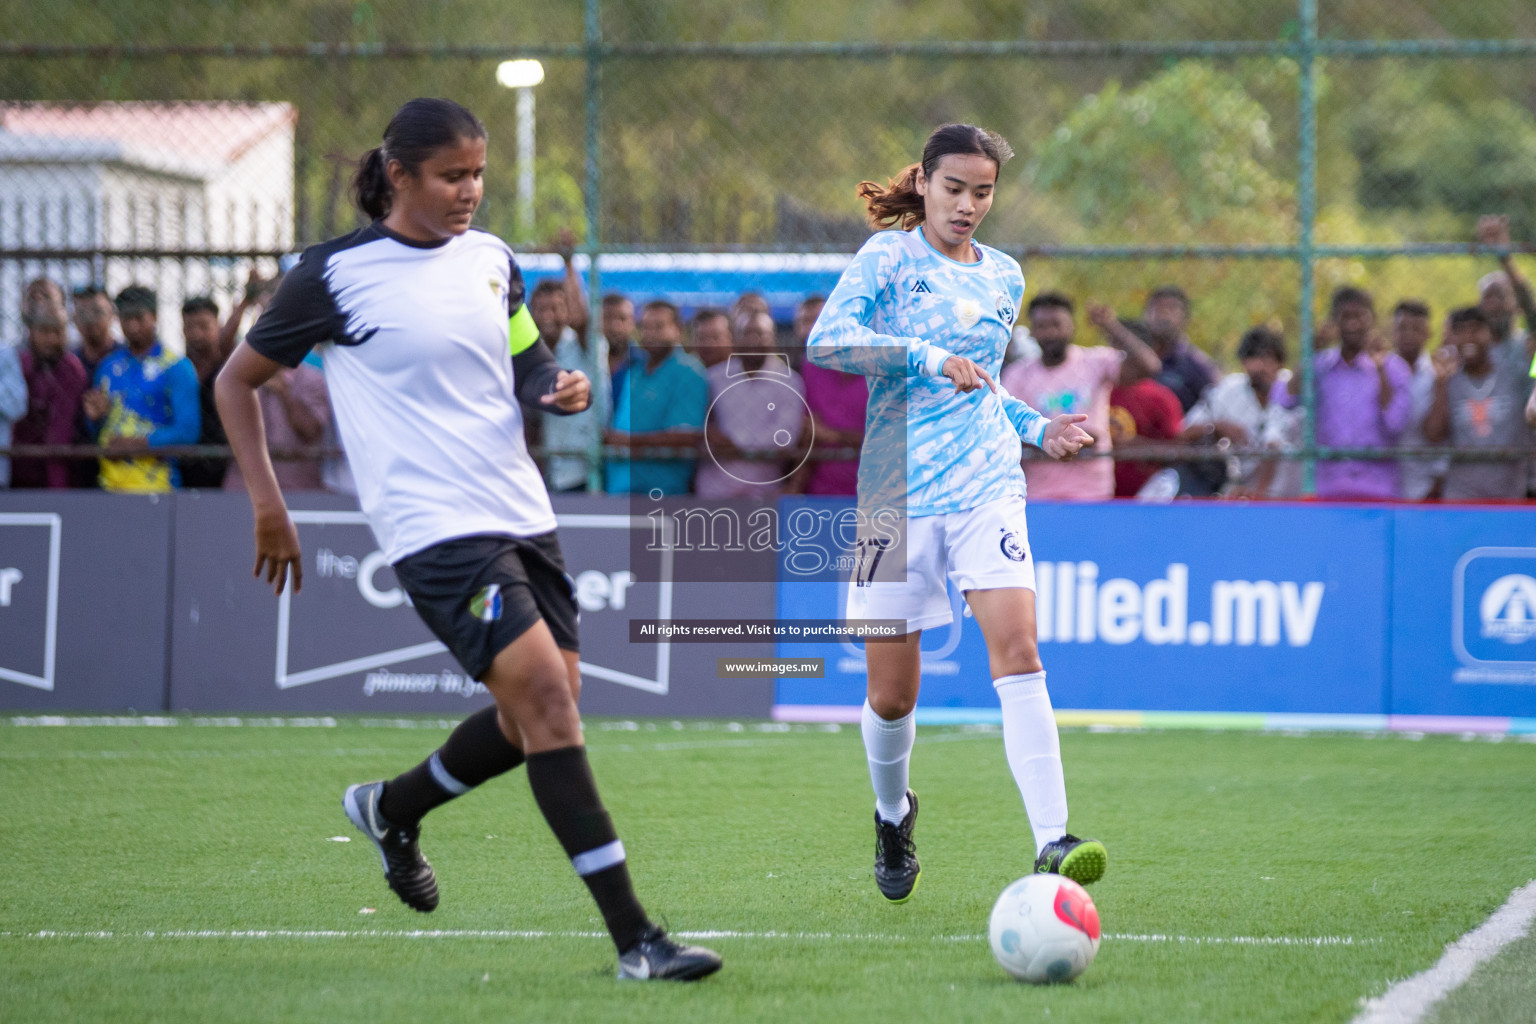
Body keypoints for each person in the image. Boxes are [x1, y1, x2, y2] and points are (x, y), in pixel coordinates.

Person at [213, 97, 719, 981]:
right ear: (398, 175)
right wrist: (267, 504)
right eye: (452, 175)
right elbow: (235, 383)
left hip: (524, 514)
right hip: (432, 530)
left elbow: (524, 358)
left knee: (536, 721)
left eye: (479, 174)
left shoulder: (493, 261)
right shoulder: (332, 275)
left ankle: (391, 809)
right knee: (550, 708)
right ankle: (637, 940)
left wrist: (553, 386)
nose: (470, 192)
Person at [806, 122, 1106, 906]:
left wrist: (1040, 429)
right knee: (892, 697)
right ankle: (891, 812)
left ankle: (1053, 840)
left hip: (985, 487)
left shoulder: (1004, 275)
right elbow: (828, 341)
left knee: (1020, 650)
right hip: (894, 498)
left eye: (984, 192)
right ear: (926, 182)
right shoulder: (888, 259)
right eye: (954, 189)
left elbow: (989, 388)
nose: (969, 205)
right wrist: (923, 356)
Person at [999, 294, 1160, 502]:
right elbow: (1006, 429)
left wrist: (1110, 325)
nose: (1049, 333)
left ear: (1072, 326)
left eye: (1056, 324)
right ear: (1033, 331)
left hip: (1092, 492)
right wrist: (1051, 439)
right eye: (1041, 326)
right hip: (1037, 494)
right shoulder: (1017, 374)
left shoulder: (1095, 361)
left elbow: (1149, 366)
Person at [1272, 286, 1411, 499]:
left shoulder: (1393, 368)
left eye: (1360, 316)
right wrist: (1309, 354)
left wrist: (1380, 370)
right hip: (1328, 487)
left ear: (1372, 320)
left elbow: (1395, 423)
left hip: (1378, 488)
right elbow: (1285, 399)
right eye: (1345, 317)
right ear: (1334, 322)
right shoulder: (1319, 365)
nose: (1352, 323)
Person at [81, 285, 201, 493]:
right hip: (109, 485)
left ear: (154, 316)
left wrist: (138, 444)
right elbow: (95, 431)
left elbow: (188, 432)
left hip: (158, 486)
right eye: (126, 318)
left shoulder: (177, 367)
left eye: (139, 317)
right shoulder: (108, 366)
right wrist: (95, 418)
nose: (132, 325)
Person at [694, 309, 806, 500]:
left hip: (765, 494)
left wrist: (734, 444)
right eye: (747, 333)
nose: (753, 340)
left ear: (773, 338)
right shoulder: (714, 378)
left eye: (760, 334)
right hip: (713, 492)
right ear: (735, 339)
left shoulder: (790, 382)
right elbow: (698, 425)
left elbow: (786, 437)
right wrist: (709, 435)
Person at [604, 300, 709, 497]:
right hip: (619, 489)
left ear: (678, 330)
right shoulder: (634, 372)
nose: (650, 334)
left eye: (659, 327)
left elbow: (686, 436)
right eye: (645, 327)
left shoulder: (689, 371)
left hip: (661, 492)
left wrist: (628, 442)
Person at [1423, 307, 1529, 501]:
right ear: (1451, 338)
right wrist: (1440, 383)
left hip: (1509, 494)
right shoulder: (1447, 379)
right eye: (1460, 331)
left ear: (1490, 334)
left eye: (1475, 330)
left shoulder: (1513, 375)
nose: (1468, 337)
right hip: (1461, 495)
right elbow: (1433, 435)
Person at [530, 241, 605, 494]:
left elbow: (582, 319)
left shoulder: (582, 345)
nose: (547, 316)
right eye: (540, 309)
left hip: (583, 470)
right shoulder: (529, 352)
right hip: (545, 472)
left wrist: (569, 264)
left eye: (555, 308)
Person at [1183, 325, 1291, 498]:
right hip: (1239, 493)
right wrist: (1217, 427)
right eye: (1252, 357)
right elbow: (1185, 431)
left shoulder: (1291, 390)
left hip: (1288, 495)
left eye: (1266, 358)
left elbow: (1273, 445)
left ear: (1279, 362)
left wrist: (1260, 494)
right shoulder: (1229, 390)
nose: (1258, 366)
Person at [11, 279, 87, 490]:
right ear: (31, 332)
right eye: (45, 331)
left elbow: (59, 435)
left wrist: (56, 492)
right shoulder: (18, 364)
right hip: (16, 472)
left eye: (59, 332)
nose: (52, 340)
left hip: (58, 479)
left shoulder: (71, 369)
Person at [1106, 320, 1184, 497]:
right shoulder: (1095, 390)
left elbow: (1177, 450)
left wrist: (1137, 446)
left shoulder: (1160, 397)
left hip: (1147, 497)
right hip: (1093, 493)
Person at [1389, 300, 1445, 501]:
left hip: (1426, 486)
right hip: (1386, 485)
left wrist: (1438, 481)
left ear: (1427, 333)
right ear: (1392, 331)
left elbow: (1444, 434)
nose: (1408, 335)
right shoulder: (1377, 373)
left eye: (1416, 328)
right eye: (1402, 328)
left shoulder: (1437, 376)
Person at [178, 296, 231, 488]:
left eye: (204, 326)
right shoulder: (178, 369)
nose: (196, 334)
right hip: (184, 463)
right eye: (189, 327)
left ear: (218, 326)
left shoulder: (229, 368)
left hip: (226, 463)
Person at [1143, 284, 1218, 412]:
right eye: (1157, 307)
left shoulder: (1199, 366)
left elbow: (1214, 409)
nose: (1163, 314)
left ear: (1185, 318)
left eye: (1171, 308)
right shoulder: (1132, 359)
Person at [601, 292, 637, 410]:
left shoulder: (644, 364)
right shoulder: (584, 360)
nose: (615, 326)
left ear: (632, 322)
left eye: (622, 319)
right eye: (608, 318)